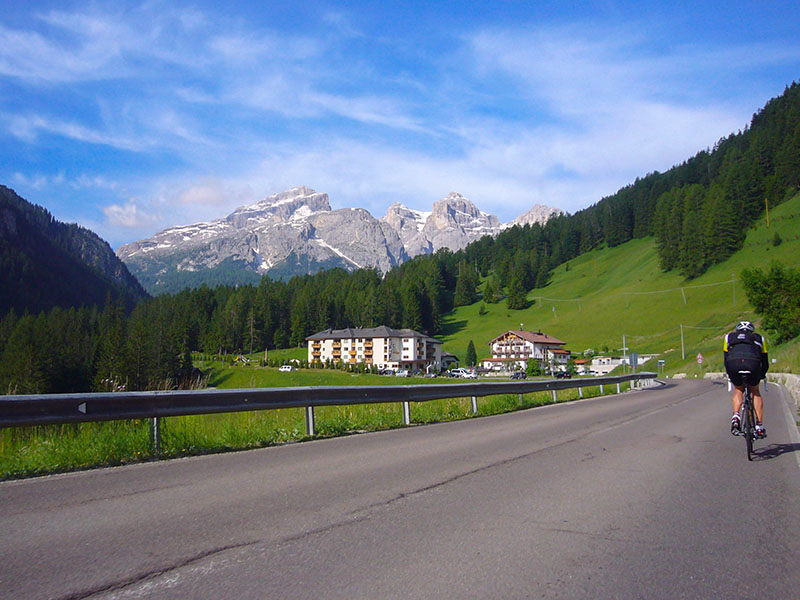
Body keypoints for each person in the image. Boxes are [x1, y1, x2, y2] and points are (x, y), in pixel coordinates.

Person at [723, 321, 769, 438]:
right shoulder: (759, 338)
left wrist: (730, 373)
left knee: (739, 389)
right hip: (753, 365)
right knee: (755, 391)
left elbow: (726, 358)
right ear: (752, 331)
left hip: (733, 365)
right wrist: (762, 374)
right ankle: (759, 426)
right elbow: (765, 361)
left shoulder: (729, 337)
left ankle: (736, 416)